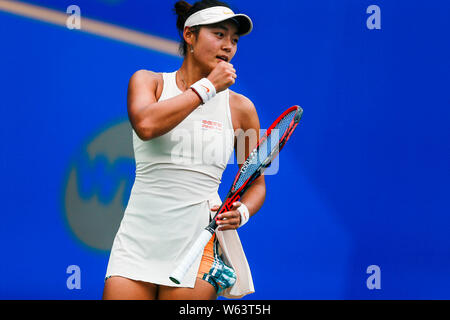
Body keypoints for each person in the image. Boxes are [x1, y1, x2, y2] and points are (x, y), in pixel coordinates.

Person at [103, 0, 266, 300]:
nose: (228, 46)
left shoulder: (243, 109)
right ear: (189, 35)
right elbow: (146, 125)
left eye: (234, 39)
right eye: (219, 34)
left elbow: (256, 183)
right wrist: (207, 87)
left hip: (198, 242)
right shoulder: (147, 81)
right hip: (137, 240)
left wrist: (242, 212)